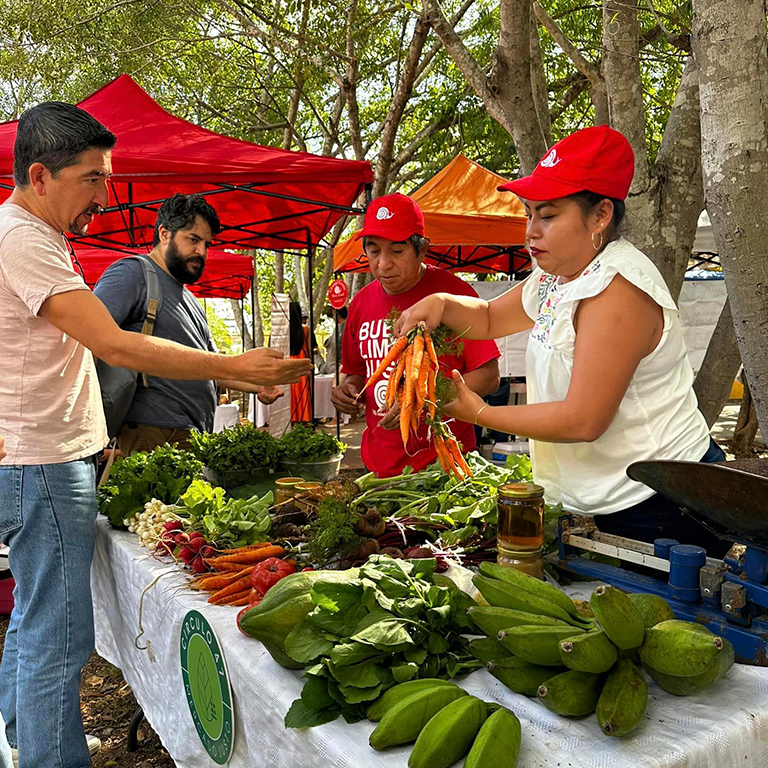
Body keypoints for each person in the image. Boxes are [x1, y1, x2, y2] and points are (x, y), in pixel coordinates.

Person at [0, 101, 310, 768]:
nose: (103, 202)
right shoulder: (24, 238)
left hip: (44, 455)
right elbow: (114, 343)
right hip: (46, 463)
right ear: (40, 175)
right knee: (59, 631)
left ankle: (30, 736)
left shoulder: (34, 237)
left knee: (36, 614)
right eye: (92, 180)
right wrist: (234, 365)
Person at [395, 125, 729, 556]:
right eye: (529, 213)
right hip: (594, 500)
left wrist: (478, 412)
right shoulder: (557, 276)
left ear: (600, 216)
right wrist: (441, 302)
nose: (530, 232)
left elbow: (583, 420)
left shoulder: (618, 289)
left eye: (548, 216)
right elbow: (492, 316)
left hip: (658, 505)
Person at [94, 193, 283, 455]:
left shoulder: (191, 300)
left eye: (206, 243)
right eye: (193, 239)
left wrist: (257, 385)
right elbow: (89, 339)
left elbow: (212, 367)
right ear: (164, 234)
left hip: (193, 433)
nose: (201, 251)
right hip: (153, 434)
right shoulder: (132, 273)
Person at [332, 193, 500, 477]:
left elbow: (489, 377)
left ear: (422, 250)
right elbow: (355, 374)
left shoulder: (455, 295)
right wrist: (347, 391)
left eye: (396, 251)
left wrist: (422, 398)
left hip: (445, 466)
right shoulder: (360, 303)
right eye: (374, 251)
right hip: (378, 468)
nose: (383, 264)